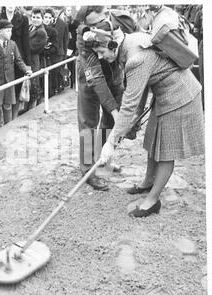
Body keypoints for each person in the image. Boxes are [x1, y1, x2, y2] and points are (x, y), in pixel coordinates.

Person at [96, 29, 204, 217]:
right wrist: (136, 117)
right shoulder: (131, 41)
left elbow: (128, 104)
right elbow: (141, 88)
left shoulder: (136, 59)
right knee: (153, 138)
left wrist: (110, 142)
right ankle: (148, 182)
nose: (100, 57)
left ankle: (153, 200)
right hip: (164, 94)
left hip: (180, 97)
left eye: (101, 52)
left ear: (112, 45)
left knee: (166, 150)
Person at [75, 5, 136, 191]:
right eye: (89, 25)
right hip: (90, 80)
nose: (93, 29)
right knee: (88, 125)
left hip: (115, 76)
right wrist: (114, 109)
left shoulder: (120, 21)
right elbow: (97, 81)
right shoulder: (84, 38)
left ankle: (103, 161)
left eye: (97, 22)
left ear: (104, 13)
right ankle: (88, 171)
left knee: (109, 123)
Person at [0, 19, 32, 126]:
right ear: (0, 32)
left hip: (9, 80)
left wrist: (26, 70)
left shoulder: (12, 44)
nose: (10, 33)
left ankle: (7, 126)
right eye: (8, 31)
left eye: (11, 31)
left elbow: (18, 59)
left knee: (7, 105)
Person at [28, 7, 47, 109]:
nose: (35, 19)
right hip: (29, 60)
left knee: (34, 86)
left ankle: (32, 109)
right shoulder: (31, 27)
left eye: (38, 17)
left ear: (42, 19)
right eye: (33, 17)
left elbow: (32, 48)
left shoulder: (41, 32)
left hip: (34, 62)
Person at [42, 8, 59, 97]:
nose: (47, 19)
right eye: (45, 17)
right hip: (37, 58)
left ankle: (48, 95)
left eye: (49, 18)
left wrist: (47, 50)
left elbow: (55, 47)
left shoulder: (53, 31)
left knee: (48, 77)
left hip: (48, 58)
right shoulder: (36, 28)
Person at [52, 7, 69, 94]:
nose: (55, 12)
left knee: (57, 72)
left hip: (59, 53)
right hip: (48, 53)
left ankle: (58, 88)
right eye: (54, 9)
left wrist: (65, 57)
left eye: (57, 10)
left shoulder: (63, 24)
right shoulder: (46, 21)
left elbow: (66, 41)